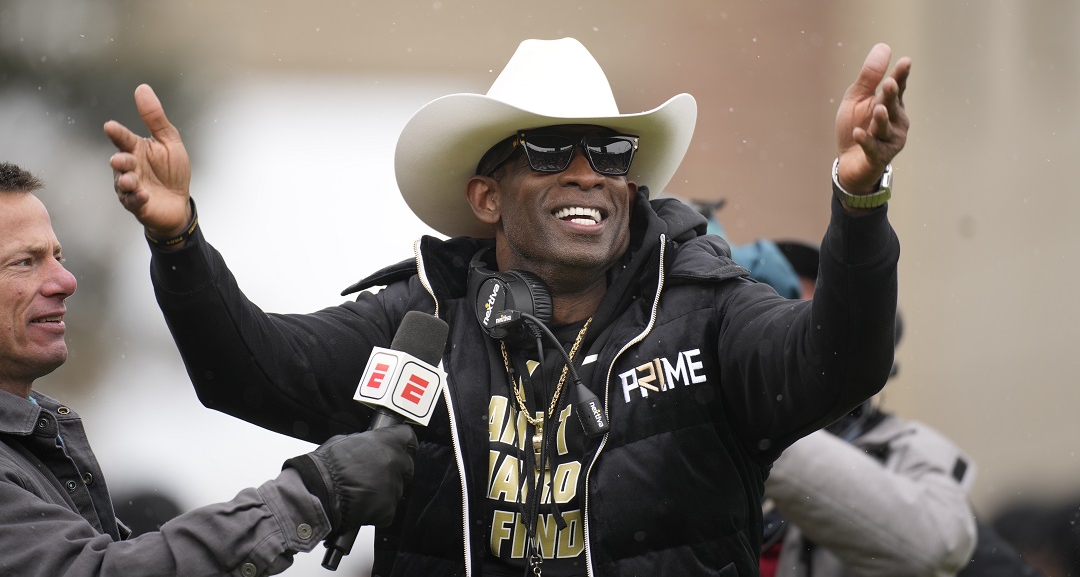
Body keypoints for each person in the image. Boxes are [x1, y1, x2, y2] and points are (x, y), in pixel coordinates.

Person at [103, 37, 908, 576]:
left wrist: (860, 198)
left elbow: (839, 362)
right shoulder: (417, 322)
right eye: (553, 150)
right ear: (487, 197)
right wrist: (180, 245)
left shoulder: (709, 309)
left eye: (612, 152)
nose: (589, 171)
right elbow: (247, 372)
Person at [0, 162, 417, 576]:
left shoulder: (38, 436)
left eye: (58, 256)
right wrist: (312, 494)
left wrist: (177, 238)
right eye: (24, 262)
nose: (66, 280)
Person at [744, 239, 1040, 577]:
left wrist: (760, 430)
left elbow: (945, 549)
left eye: (803, 304)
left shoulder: (902, 453)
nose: (794, 326)